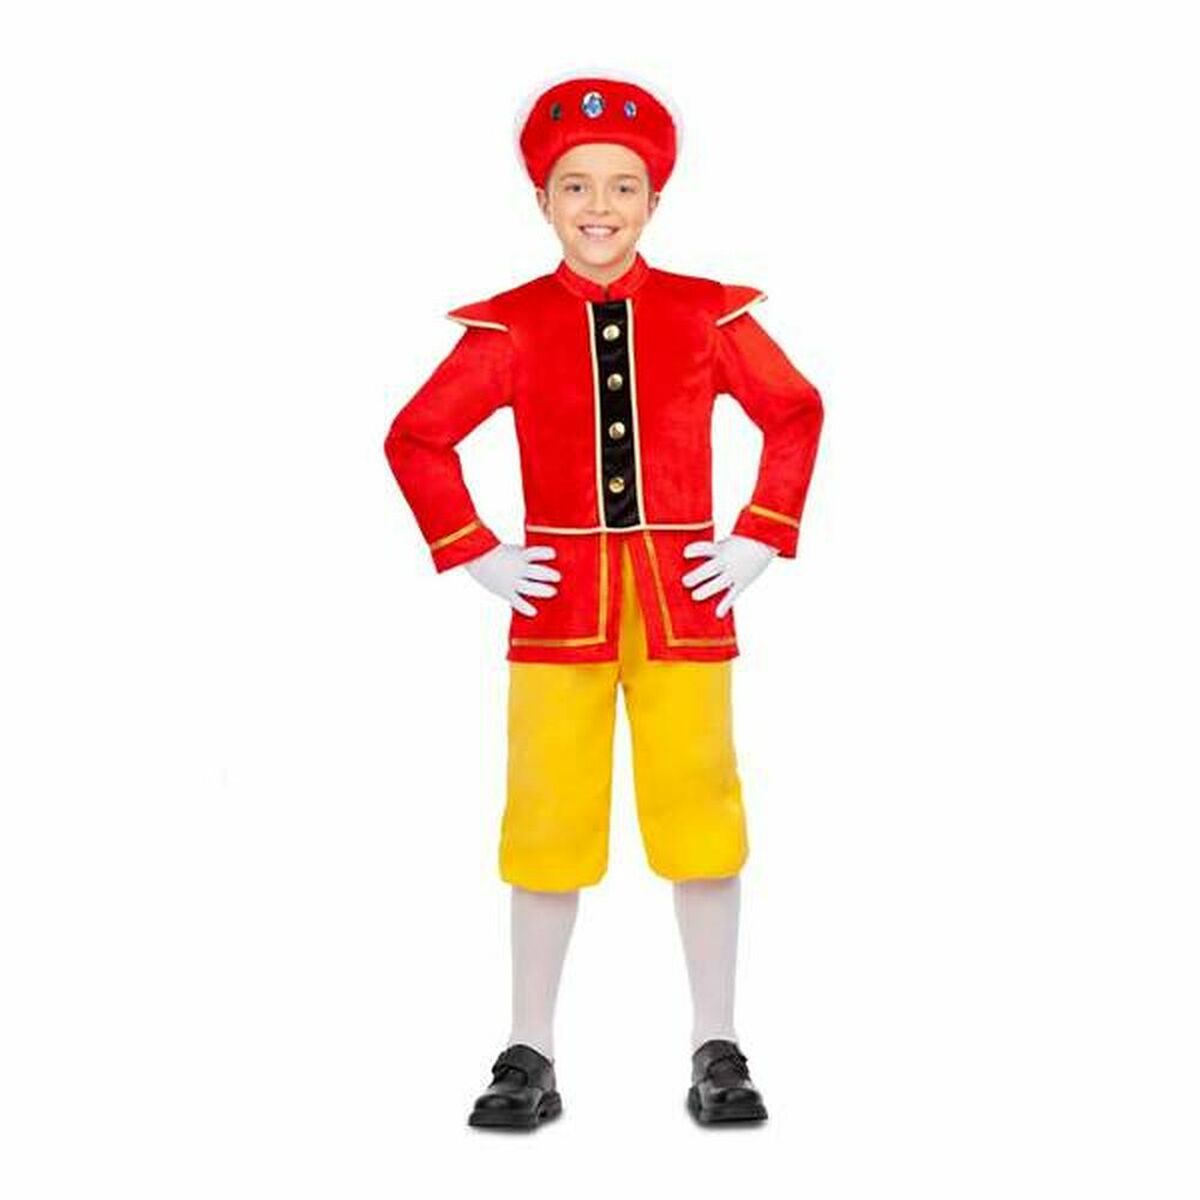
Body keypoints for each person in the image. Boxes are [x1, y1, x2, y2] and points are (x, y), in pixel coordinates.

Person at [383, 73, 824, 1128]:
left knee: (701, 817)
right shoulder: (510, 326)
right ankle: (528, 1049)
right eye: (575, 185)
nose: (599, 206)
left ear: (654, 200)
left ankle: (717, 1043)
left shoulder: (708, 313)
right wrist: (479, 553)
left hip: (683, 606)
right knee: (546, 823)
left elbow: (795, 411)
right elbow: (417, 437)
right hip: (558, 614)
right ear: (542, 200)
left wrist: (758, 534)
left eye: (623, 186)